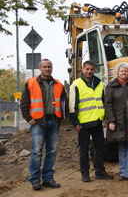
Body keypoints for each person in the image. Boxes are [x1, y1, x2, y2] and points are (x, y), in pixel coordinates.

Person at [20, 59, 67, 190]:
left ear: (52, 68)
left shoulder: (58, 84)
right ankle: (35, 180)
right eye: (45, 67)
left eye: (49, 67)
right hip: (38, 122)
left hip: (53, 121)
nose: (47, 69)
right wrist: (29, 118)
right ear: (40, 68)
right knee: (36, 152)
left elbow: (64, 101)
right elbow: (24, 104)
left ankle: (47, 179)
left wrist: (63, 116)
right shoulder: (31, 83)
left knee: (51, 152)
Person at [69, 60, 113, 182]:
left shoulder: (99, 84)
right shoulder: (76, 85)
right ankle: (85, 173)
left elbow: (104, 102)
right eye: (87, 69)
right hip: (83, 124)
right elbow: (72, 105)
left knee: (100, 147)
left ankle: (99, 171)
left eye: (91, 69)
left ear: (94, 70)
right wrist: (75, 122)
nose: (89, 71)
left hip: (97, 121)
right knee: (83, 149)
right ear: (82, 70)